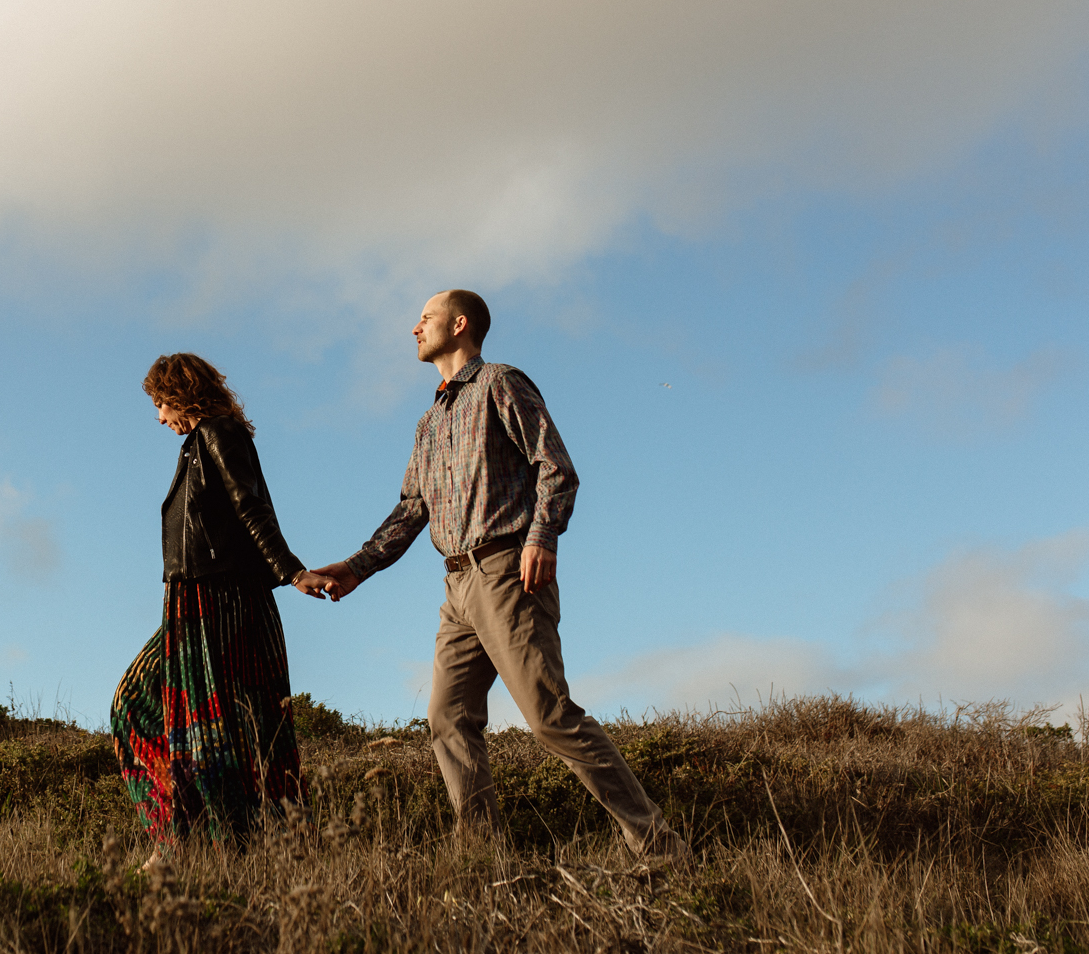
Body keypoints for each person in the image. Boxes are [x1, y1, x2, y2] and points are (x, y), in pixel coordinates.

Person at [298, 291, 688, 860]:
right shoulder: (428, 422)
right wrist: (356, 568)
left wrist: (541, 536)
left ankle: (658, 845)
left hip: (507, 570)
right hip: (455, 585)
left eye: (424, 319)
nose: (414, 328)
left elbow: (556, 467)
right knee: (447, 719)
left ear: (458, 325)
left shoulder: (501, 383)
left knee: (550, 718)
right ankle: (485, 854)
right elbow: (411, 510)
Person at [112, 352, 321, 842]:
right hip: (190, 600)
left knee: (220, 728)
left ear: (184, 394)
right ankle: (186, 834)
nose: (160, 417)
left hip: (218, 599)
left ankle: (215, 844)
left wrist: (292, 572)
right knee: (140, 704)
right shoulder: (198, 443)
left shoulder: (219, 433)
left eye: (162, 404)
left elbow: (250, 507)